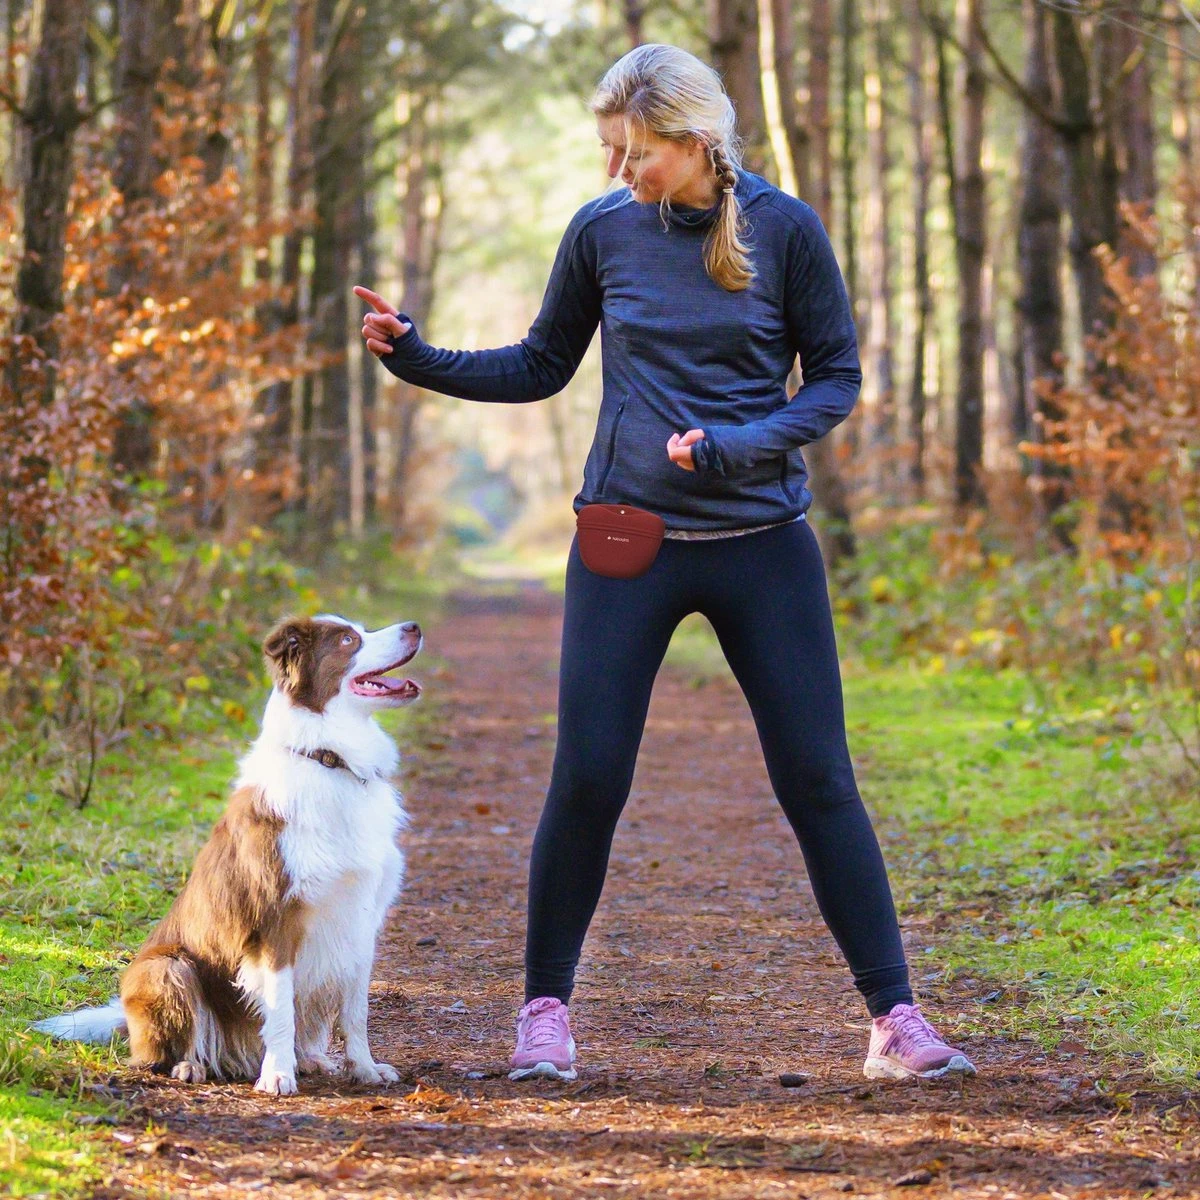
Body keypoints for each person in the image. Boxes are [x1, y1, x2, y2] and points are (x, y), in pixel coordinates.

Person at [355, 43, 975, 1085]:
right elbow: (541, 364)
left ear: (693, 143)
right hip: (626, 540)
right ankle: (544, 1014)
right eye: (610, 150)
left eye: (633, 152)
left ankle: (896, 1019)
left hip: (762, 542)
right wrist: (416, 355)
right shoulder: (604, 233)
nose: (617, 171)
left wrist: (745, 443)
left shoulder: (786, 232)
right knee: (589, 776)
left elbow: (835, 379)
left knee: (819, 778)